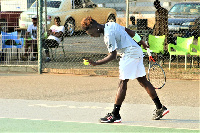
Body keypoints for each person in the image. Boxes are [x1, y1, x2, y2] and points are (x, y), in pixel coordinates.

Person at [81, 16, 169, 123]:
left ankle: (115, 114)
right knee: (143, 81)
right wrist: (142, 42)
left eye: (91, 34)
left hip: (129, 54)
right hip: (137, 51)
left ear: (94, 27)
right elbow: (130, 32)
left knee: (122, 82)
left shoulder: (108, 35)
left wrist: (96, 63)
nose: (92, 36)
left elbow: (112, 55)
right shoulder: (111, 24)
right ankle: (160, 107)